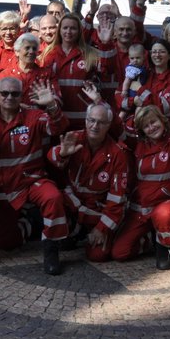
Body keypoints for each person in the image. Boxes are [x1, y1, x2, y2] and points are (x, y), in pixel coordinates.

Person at [0, 76, 69, 274]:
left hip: (31, 180)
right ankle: (32, 223)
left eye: (15, 93)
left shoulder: (34, 116)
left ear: (22, 95)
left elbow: (57, 128)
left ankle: (51, 250)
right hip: (2, 187)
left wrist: (51, 106)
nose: (9, 97)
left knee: (53, 197)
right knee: (4, 243)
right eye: (4, 93)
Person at [116, 81, 170, 269]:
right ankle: (149, 241)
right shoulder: (139, 146)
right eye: (146, 126)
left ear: (162, 121)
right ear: (141, 130)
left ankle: (164, 247)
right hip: (142, 209)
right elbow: (118, 128)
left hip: (167, 203)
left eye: (154, 122)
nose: (151, 127)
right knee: (119, 252)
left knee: (163, 215)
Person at [48, 102, 131, 264]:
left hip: (97, 210)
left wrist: (101, 229)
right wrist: (62, 154)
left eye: (101, 122)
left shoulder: (117, 154)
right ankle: (75, 231)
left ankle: (114, 234)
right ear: (85, 120)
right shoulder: (75, 138)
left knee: (97, 256)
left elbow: (116, 200)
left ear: (109, 125)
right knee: (54, 198)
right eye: (91, 120)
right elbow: (50, 157)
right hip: (72, 204)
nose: (94, 126)